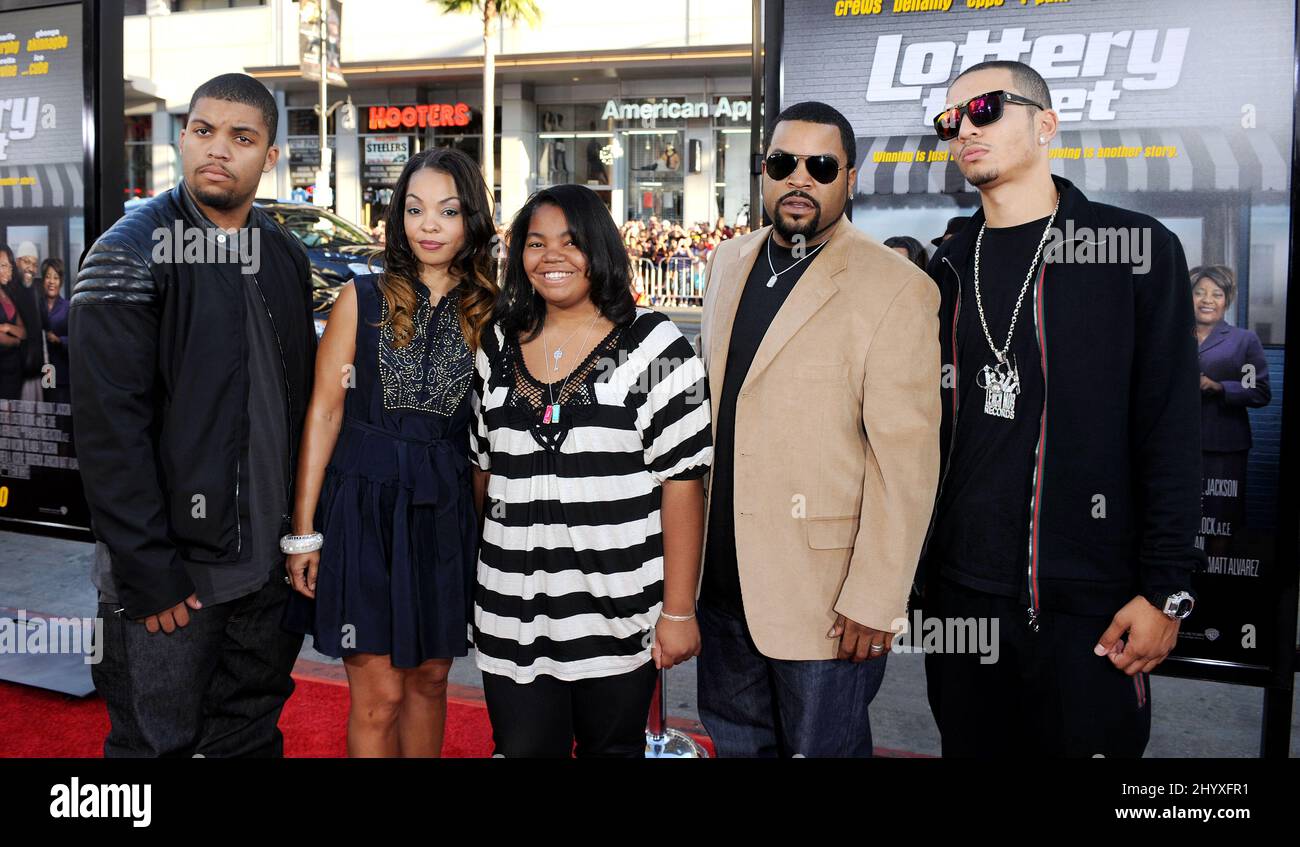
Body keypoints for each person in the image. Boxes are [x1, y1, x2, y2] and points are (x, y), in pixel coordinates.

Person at [922, 60, 1201, 758]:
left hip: (1092, 607)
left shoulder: (1133, 251)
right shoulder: (946, 266)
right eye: (950, 120)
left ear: (1046, 124)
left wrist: (1166, 590)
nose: (964, 130)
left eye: (985, 108)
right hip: (961, 603)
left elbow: (1170, 429)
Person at [71, 73, 316, 757]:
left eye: (241, 137)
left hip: (265, 572)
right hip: (171, 580)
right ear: (182, 137)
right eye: (203, 131)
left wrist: (298, 538)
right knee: (152, 747)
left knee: (250, 735)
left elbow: (297, 411)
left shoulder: (285, 255)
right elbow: (106, 432)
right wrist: (148, 570)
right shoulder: (127, 252)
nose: (218, 150)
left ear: (269, 156)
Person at [696, 101, 942, 758]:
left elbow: (906, 462)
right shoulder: (728, 263)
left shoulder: (895, 287)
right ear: (764, 172)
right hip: (720, 589)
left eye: (820, 165)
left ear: (849, 178)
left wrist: (877, 594)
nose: (799, 178)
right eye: (783, 163)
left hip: (827, 604)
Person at [471, 184, 712, 757]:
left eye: (570, 241)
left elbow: (684, 484)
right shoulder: (497, 343)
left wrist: (678, 611)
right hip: (512, 615)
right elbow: (483, 471)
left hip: (617, 614)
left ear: (600, 249)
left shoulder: (655, 346)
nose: (551, 256)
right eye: (535, 242)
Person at [281, 148, 496, 757]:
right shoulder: (362, 297)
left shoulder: (494, 311)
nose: (429, 225)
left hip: (445, 510)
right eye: (415, 209)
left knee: (431, 682)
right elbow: (324, 413)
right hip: (363, 510)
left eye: (448, 211)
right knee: (379, 696)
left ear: (471, 219)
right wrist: (304, 532)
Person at [1191, 264, 1270, 553]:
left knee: (1221, 517)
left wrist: (1219, 386)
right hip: (1176, 444)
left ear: (1227, 300)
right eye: (1199, 292)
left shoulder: (1243, 340)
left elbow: (1260, 392)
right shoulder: (1172, 336)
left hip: (1224, 445)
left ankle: (1216, 584)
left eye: (1216, 293)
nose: (1207, 300)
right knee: (1178, 516)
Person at [10, 241, 43, 401]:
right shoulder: (10, 290)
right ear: (17, 262)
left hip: (35, 368)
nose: (30, 268)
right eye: (26, 262)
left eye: (34, 264)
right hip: (15, 370)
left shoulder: (37, 291)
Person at [39, 258, 71, 405]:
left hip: (61, 375)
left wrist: (59, 340)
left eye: (56, 277)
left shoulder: (68, 308)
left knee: (60, 421)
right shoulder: (35, 306)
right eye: (48, 277)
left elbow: (77, 341)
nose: (51, 281)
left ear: (61, 281)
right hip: (38, 375)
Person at [0, 246, 29, 401]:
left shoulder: (8, 294)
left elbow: (24, 331)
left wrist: (6, 327)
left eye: (10, 266)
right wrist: (16, 340)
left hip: (15, 370)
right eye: (3, 265)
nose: (9, 270)